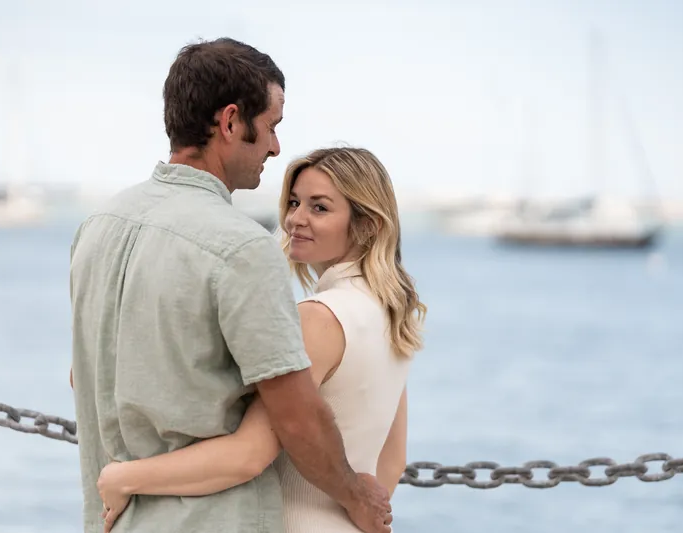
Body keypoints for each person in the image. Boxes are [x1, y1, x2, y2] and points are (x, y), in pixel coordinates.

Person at [69, 39, 393, 533]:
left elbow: (83, 375)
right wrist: (356, 497)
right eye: (271, 127)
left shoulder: (97, 226)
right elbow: (297, 418)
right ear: (230, 122)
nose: (276, 147)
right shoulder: (241, 247)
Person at [95, 146, 427, 533]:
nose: (295, 220)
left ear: (367, 224)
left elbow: (248, 455)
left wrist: (123, 479)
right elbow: (392, 461)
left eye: (319, 208)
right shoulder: (392, 317)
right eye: (293, 202)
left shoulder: (318, 319)